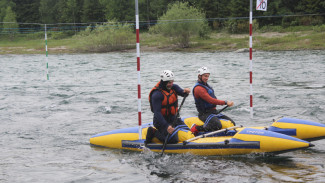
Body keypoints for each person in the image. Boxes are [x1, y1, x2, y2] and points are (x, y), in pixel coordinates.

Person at [146, 70, 194, 145]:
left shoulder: (174, 87)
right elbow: (157, 113)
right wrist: (167, 126)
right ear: (164, 82)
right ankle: (153, 132)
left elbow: (183, 93)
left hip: (173, 118)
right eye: (169, 83)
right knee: (173, 140)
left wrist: (186, 91)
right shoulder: (157, 94)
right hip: (161, 121)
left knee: (188, 132)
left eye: (172, 82)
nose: (171, 84)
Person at [190, 66, 235, 135]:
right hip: (204, 114)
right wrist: (225, 102)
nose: (207, 78)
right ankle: (197, 128)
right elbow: (210, 100)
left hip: (213, 112)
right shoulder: (198, 88)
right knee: (217, 125)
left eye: (208, 76)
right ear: (199, 76)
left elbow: (214, 99)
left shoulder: (207, 86)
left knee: (232, 122)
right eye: (205, 76)